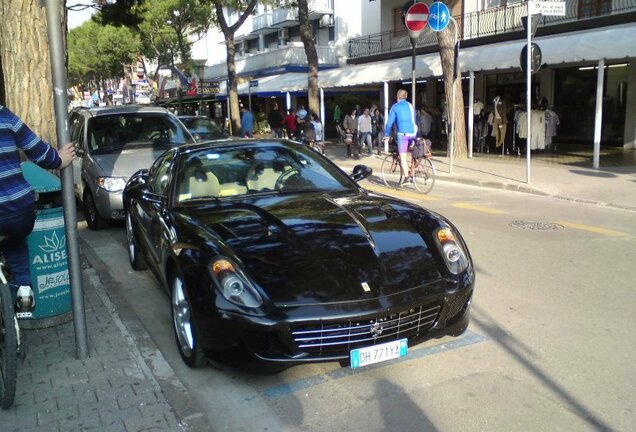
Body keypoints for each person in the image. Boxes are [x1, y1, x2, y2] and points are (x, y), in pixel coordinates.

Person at [0, 104, 75, 312]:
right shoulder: (3, 115)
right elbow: (37, 150)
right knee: (14, 240)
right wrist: (58, 159)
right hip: (19, 209)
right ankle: (24, 290)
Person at [383, 89, 417, 186]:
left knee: (402, 157)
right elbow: (414, 119)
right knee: (409, 153)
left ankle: (407, 177)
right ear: (405, 97)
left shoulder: (395, 107)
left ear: (397, 97)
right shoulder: (411, 106)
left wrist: (386, 135)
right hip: (413, 133)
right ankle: (411, 171)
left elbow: (389, 123)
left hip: (402, 134)